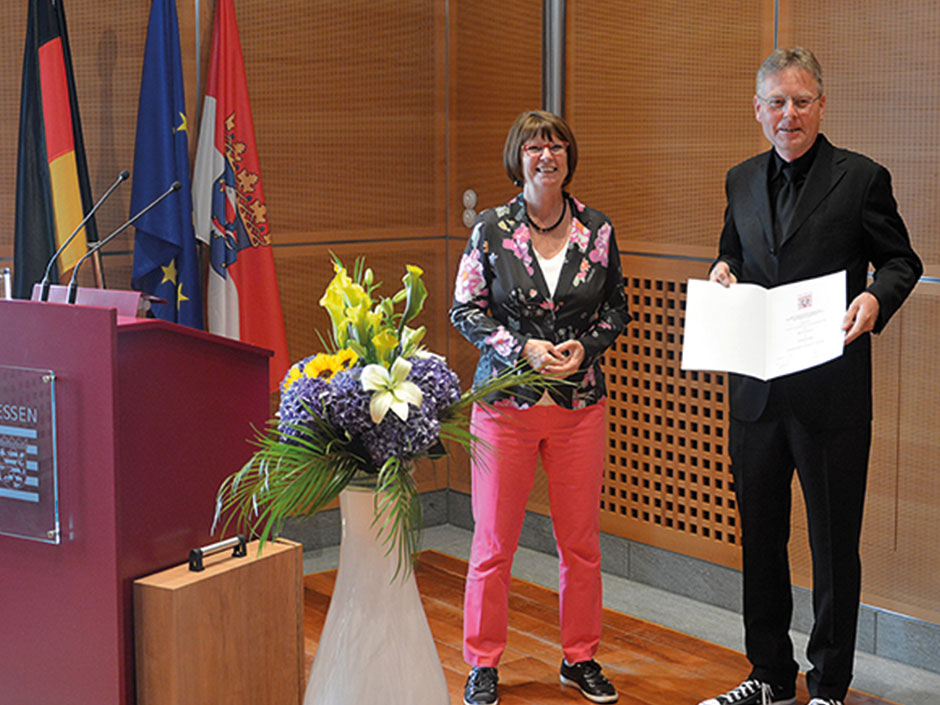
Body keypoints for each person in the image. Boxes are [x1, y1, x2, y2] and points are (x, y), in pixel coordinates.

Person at [699, 48, 922, 705]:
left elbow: (901, 261)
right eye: (775, 102)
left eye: (800, 101)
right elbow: (733, 251)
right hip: (756, 397)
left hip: (832, 396)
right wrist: (721, 269)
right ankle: (769, 675)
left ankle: (827, 685)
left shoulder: (861, 178)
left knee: (833, 548)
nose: (787, 114)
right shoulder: (740, 179)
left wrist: (876, 297)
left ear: (822, 105)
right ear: (758, 109)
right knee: (761, 541)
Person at [450, 109, 631, 705]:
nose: (546, 156)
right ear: (518, 158)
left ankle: (580, 658)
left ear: (569, 158)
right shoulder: (491, 230)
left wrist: (588, 346)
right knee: (493, 544)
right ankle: (483, 662)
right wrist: (519, 347)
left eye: (556, 146)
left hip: (580, 408)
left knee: (579, 544)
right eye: (534, 147)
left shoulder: (597, 229)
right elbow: (466, 309)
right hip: (505, 407)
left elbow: (616, 310)